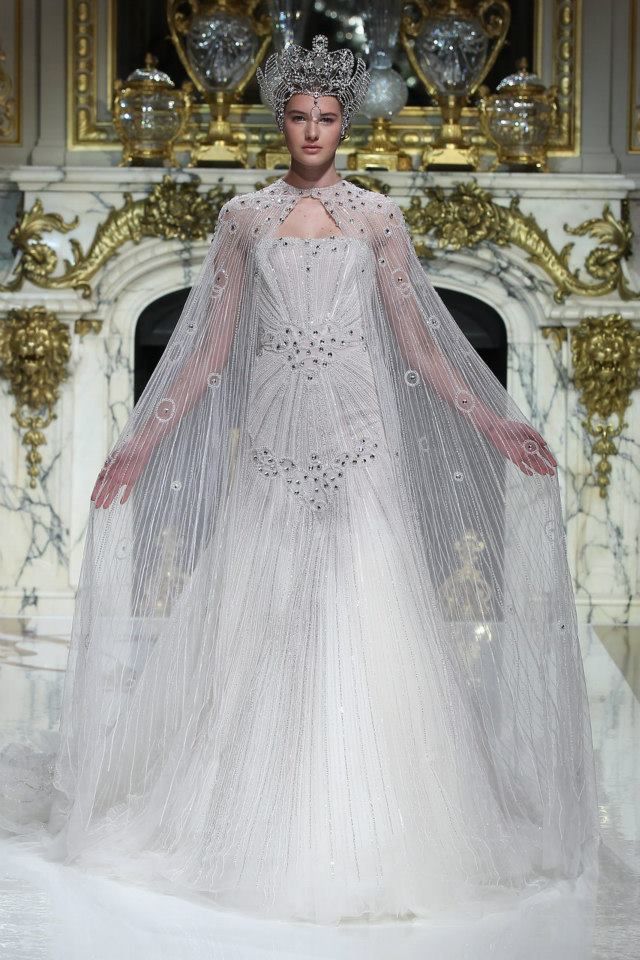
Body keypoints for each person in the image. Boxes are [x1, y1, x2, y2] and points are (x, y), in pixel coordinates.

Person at [1, 34, 598, 926]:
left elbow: (421, 346)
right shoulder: (243, 218)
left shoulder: (377, 219)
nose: (311, 129)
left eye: (325, 116)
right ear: (279, 122)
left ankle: (377, 824)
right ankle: (250, 810)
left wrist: (494, 420)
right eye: (297, 115)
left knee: (366, 604)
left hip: (358, 435)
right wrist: (142, 441)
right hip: (276, 439)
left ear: (344, 124)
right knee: (265, 605)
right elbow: (208, 350)